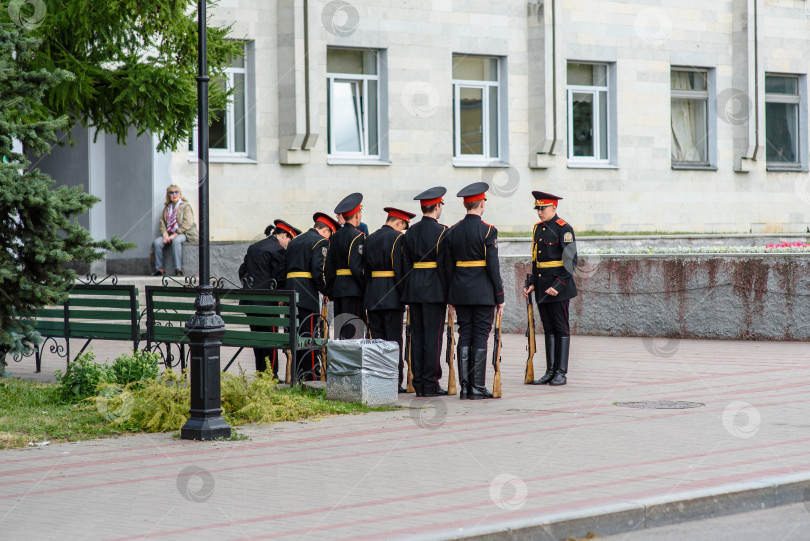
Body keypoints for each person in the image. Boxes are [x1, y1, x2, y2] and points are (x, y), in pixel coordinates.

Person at [444, 182, 504, 399]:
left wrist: (451, 297)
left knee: (465, 334)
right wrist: (500, 296)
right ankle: (477, 387)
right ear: (481, 204)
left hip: (460, 292)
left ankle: (465, 387)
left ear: (465, 204)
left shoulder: (452, 231)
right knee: (480, 335)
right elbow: (493, 266)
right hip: (482, 293)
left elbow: (448, 267)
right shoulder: (489, 230)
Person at [523, 191, 578, 386]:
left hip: (558, 287)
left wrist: (558, 285)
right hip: (541, 286)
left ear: (554, 208)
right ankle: (550, 371)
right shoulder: (538, 229)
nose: (539, 212)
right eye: (537, 208)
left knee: (561, 328)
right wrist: (531, 282)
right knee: (548, 329)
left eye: (543, 208)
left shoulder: (564, 229)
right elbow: (536, 259)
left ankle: (561, 373)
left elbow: (571, 261)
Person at [401, 187, 450, 397]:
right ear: (437, 206)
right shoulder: (442, 231)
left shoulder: (410, 231)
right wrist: (449, 294)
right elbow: (445, 266)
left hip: (414, 289)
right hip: (434, 291)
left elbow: (404, 264)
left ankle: (419, 382)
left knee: (418, 337)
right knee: (433, 338)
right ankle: (430, 384)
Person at [238, 219, 302, 376]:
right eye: (289, 240)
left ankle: (261, 373)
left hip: (249, 302)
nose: (288, 244)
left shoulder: (254, 247)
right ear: (284, 236)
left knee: (257, 339)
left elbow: (242, 271)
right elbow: (279, 277)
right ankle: (271, 375)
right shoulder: (279, 250)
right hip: (268, 302)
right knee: (271, 339)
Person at [364, 207, 415, 393]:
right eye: (403, 227)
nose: (403, 230)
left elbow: (365, 270)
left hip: (373, 295)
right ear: (399, 223)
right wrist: (405, 295)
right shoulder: (398, 238)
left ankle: (379, 380)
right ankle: (394, 381)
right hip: (392, 296)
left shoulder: (369, 239)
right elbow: (400, 271)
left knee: (377, 341)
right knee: (393, 341)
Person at [285, 212, 340, 381]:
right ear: (326, 231)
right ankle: (308, 376)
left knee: (295, 335)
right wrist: (326, 291)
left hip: (290, 292)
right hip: (306, 294)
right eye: (330, 233)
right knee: (307, 335)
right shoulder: (320, 241)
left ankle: (296, 373)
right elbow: (318, 271)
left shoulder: (295, 241)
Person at [325, 193, 366, 339]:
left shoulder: (335, 236)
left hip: (339, 289)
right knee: (354, 332)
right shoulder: (358, 236)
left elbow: (329, 265)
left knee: (341, 331)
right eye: (360, 213)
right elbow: (356, 268)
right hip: (353, 290)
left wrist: (329, 289)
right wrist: (365, 285)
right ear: (356, 215)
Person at [152, 185, 199, 276]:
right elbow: (162, 223)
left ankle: (178, 269)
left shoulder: (185, 206)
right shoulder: (167, 208)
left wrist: (175, 234)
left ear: (180, 194)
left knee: (176, 241)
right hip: (169, 234)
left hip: (185, 233)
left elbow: (188, 223)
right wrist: (165, 235)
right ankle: (159, 268)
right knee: (156, 243)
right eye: (171, 192)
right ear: (168, 195)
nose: (174, 194)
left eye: (176, 192)